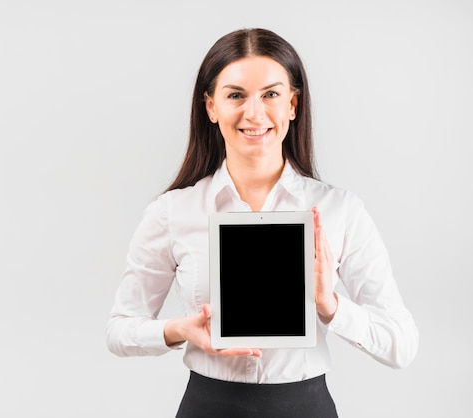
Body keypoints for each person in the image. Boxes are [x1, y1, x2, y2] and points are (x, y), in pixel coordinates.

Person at [106, 28, 418, 418]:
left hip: (306, 408)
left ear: (293, 104)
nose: (254, 113)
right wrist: (179, 331)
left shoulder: (340, 211)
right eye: (235, 95)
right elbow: (119, 331)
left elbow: (401, 345)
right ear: (211, 106)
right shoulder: (172, 211)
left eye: (270, 94)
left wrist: (330, 306)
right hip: (207, 407)